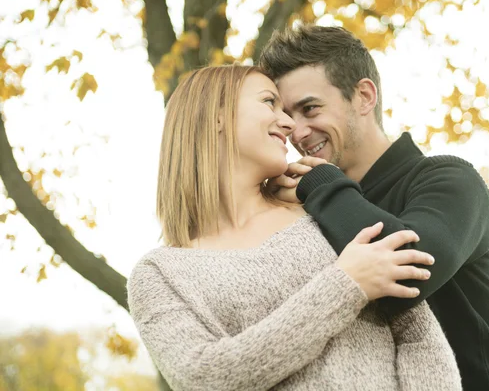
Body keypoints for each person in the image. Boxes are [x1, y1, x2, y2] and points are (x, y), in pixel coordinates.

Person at [126, 65, 461, 391]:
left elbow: (418, 336)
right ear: (217, 115)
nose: (288, 124)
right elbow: (203, 379)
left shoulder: (324, 213)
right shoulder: (160, 275)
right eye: (268, 102)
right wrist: (346, 285)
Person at [260, 24, 489, 391]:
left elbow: (408, 270)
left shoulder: (451, 180)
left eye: (310, 108)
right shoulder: (305, 205)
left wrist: (320, 184)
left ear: (363, 96)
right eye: (288, 118)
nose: (298, 133)